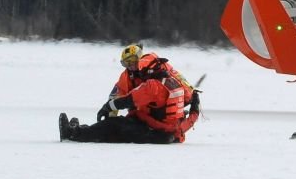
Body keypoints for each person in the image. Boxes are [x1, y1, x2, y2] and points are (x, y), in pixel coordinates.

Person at [58, 45, 201, 144]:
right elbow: (190, 118)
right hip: (167, 133)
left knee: (114, 126)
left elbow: (129, 100)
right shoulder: (175, 83)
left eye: (133, 64)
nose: (132, 68)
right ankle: (83, 130)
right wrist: (195, 106)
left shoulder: (153, 85)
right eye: (126, 64)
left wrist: (108, 107)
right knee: (116, 127)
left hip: (152, 130)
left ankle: (74, 135)